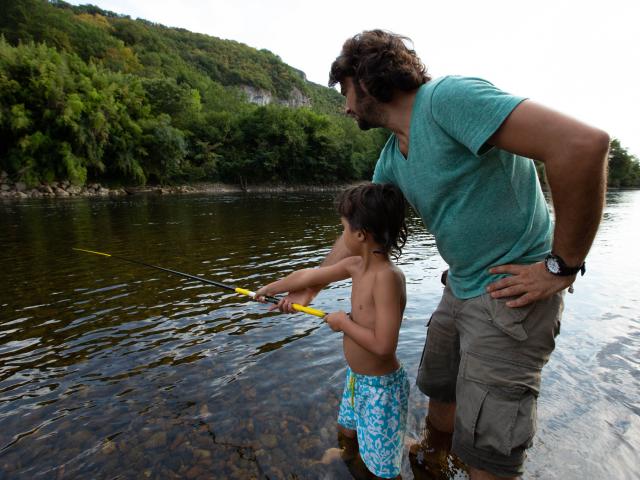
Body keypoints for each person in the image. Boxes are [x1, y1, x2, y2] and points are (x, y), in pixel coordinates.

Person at [274, 30, 610, 479]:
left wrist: (560, 265)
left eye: (345, 91)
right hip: (460, 287)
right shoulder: (391, 158)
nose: (345, 106)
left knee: (490, 452)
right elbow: (358, 234)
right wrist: (312, 287)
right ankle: (433, 464)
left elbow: (582, 146)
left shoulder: (448, 99)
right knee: (440, 397)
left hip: (512, 296)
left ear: (368, 80)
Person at [255, 182, 411, 479]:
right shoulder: (355, 264)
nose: (341, 236)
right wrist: (270, 288)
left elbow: (383, 346)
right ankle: (348, 455)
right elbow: (308, 276)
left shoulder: (388, 279)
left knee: (382, 470)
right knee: (347, 430)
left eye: (343, 229)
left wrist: (344, 324)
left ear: (361, 235)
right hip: (358, 378)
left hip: (381, 390)